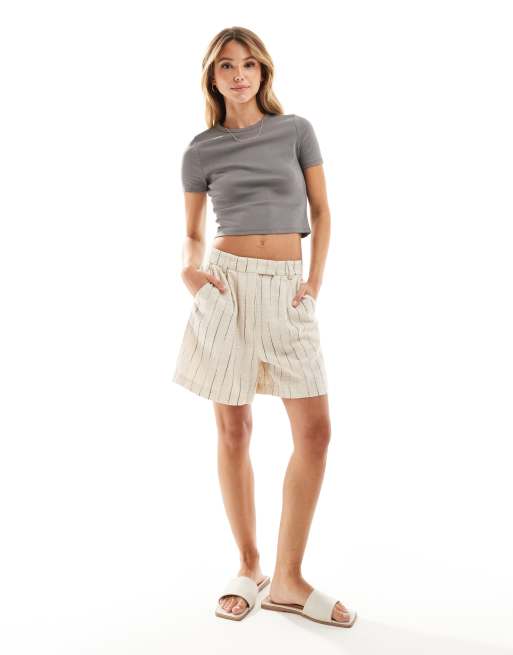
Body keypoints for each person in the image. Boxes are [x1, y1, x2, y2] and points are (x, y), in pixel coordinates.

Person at [172, 27, 357, 628]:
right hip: (225, 287)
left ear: (263, 72)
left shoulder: (296, 130)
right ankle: (250, 566)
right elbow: (193, 231)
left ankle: (288, 577)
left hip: (288, 287)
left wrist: (315, 280)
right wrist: (190, 271)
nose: (239, 75)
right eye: (227, 65)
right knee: (234, 429)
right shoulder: (201, 150)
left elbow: (322, 211)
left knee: (316, 432)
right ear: (213, 76)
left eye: (248, 64)